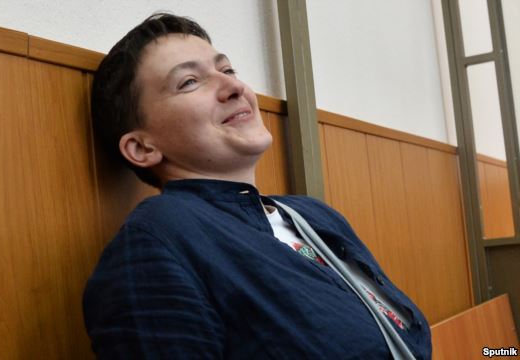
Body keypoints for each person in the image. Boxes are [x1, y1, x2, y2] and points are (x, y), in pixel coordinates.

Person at [83, 13, 431, 359]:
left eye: (228, 69)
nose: (234, 87)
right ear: (142, 148)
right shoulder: (157, 239)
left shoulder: (313, 215)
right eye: (189, 81)